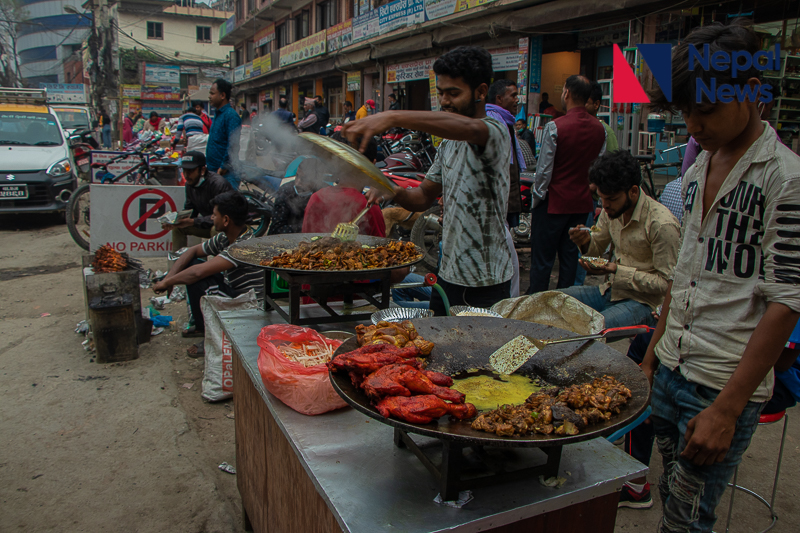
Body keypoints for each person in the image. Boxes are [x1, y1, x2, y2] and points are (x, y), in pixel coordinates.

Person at [639, 20, 800, 532]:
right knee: (670, 497)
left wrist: (727, 411)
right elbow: (682, 276)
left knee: (689, 521)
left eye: (704, 110)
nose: (693, 125)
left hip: (720, 384)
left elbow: (786, 301)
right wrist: (651, 356)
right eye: (685, 111)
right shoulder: (694, 172)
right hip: (671, 368)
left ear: (751, 91)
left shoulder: (786, 181)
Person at [343, 46, 512, 316]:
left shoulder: (493, 132)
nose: (445, 101)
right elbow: (422, 197)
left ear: (481, 92)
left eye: (454, 93)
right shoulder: (448, 144)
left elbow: (469, 128)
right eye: (441, 93)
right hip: (448, 274)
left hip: (486, 281)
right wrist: (388, 188)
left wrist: (392, 116)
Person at [562, 150, 680, 329]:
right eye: (601, 199)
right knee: (549, 301)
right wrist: (584, 241)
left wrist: (618, 270)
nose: (605, 205)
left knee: (587, 331)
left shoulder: (661, 223)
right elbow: (595, 251)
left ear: (633, 191)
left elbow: (666, 284)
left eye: (611, 199)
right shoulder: (611, 211)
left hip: (645, 303)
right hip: (611, 291)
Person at [153, 191, 264, 356]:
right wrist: (169, 278)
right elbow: (192, 251)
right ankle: (201, 328)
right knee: (192, 265)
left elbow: (197, 273)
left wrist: (167, 283)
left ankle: (211, 338)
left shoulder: (244, 246)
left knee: (198, 278)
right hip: (232, 290)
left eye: (214, 215)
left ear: (226, 220)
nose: (212, 218)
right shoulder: (224, 238)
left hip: (248, 305)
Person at [527, 75, 606, 293]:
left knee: (542, 261)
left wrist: (537, 199)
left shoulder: (555, 127)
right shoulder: (600, 129)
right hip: (581, 203)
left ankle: (537, 304)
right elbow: (597, 167)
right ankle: (565, 304)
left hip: (553, 202)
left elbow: (544, 172)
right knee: (570, 262)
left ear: (566, 93)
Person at [301, 138, 385, 237]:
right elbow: (380, 246)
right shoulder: (370, 206)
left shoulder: (316, 198)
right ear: (373, 164)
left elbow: (305, 242)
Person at [486, 79, 524, 298]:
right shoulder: (495, 123)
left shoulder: (506, 121)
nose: (516, 100)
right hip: (495, 207)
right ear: (499, 99)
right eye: (512, 95)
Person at [162, 151, 234, 250]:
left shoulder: (218, 184)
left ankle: (219, 264)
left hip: (228, 226)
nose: (186, 175)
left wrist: (192, 221)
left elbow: (222, 217)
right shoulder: (190, 184)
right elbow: (189, 211)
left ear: (202, 170)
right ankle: (178, 262)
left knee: (216, 229)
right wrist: (174, 219)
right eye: (184, 171)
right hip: (208, 223)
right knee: (178, 228)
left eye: (190, 171)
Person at [267, 157, 321, 235]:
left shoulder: (321, 194)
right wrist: (305, 227)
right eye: (297, 176)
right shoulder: (286, 191)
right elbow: (276, 228)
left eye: (304, 179)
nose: (297, 183)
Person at [206, 78, 242, 189]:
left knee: (227, 204)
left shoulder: (230, 115)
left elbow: (233, 145)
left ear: (222, 95)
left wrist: (223, 167)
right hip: (214, 171)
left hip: (226, 173)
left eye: (212, 93)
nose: (209, 96)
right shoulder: (218, 115)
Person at [586, 82, 618, 152]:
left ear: (596, 104)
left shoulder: (606, 131)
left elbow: (614, 159)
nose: (580, 106)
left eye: (585, 102)